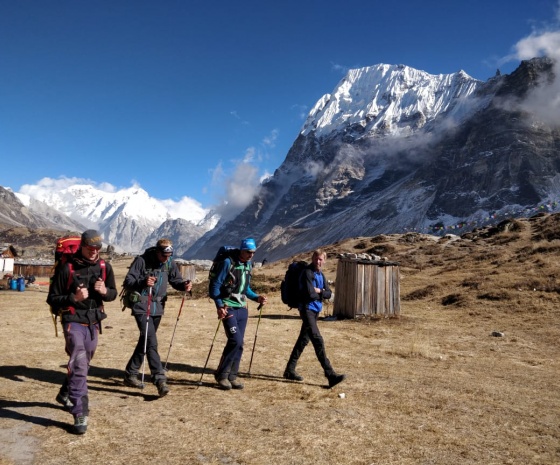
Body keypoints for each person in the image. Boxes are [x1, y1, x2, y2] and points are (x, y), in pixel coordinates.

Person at [47, 229, 117, 434]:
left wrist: (105, 292)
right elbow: (52, 298)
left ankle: (64, 393)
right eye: (91, 248)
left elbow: (112, 293)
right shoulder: (67, 268)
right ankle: (80, 412)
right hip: (72, 320)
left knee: (83, 364)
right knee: (78, 363)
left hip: (94, 322)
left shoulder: (105, 267)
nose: (95, 252)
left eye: (98, 248)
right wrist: (73, 299)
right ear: (82, 246)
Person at [123, 238, 192, 397]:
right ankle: (159, 379)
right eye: (164, 255)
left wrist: (184, 286)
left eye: (169, 255)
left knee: (145, 341)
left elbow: (176, 281)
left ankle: (130, 373)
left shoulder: (169, 263)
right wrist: (143, 281)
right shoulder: (142, 261)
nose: (166, 258)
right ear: (157, 251)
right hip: (141, 306)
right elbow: (129, 281)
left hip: (158, 307)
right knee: (151, 342)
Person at [209, 238, 267, 390]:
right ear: (242, 250)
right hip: (228, 307)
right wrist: (219, 305)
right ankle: (221, 375)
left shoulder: (248, 265)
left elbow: (246, 289)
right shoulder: (228, 263)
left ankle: (232, 376)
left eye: (253, 252)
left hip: (242, 308)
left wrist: (257, 298)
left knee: (239, 344)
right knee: (235, 340)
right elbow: (215, 286)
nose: (251, 255)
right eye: (248, 252)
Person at [284, 249, 346, 388]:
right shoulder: (307, 273)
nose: (318, 261)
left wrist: (321, 291)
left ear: (324, 261)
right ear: (313, 259)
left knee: (303, 340)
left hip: (315, 310)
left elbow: (329, 294)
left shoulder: (320, 275)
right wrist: (321, 292)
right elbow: (310, 293)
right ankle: (330, 375)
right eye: (316, 259)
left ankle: (289, 370)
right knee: (317, 340)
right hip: (307, 310)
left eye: (321, 259)